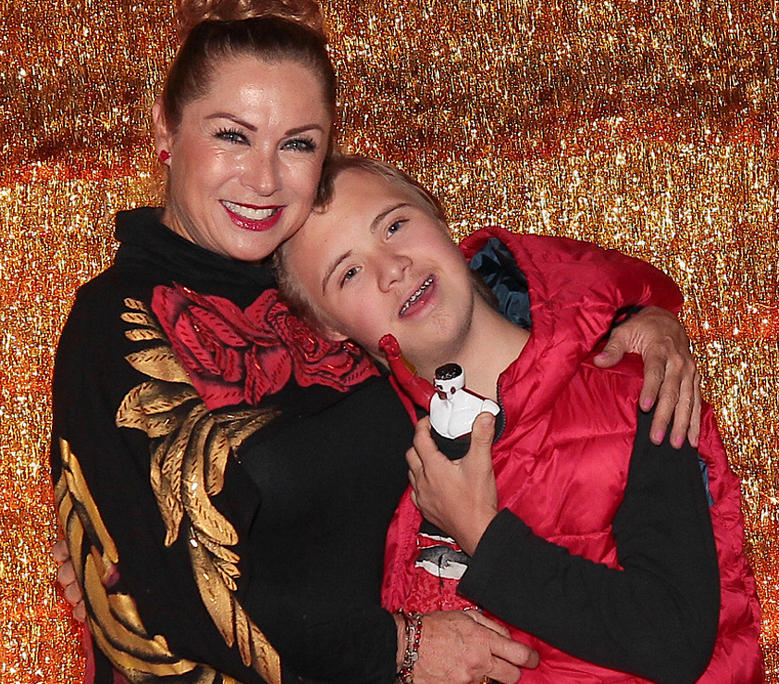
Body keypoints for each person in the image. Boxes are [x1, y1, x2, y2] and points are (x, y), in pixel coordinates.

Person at [50, 1, 706, 682]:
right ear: (165, 126)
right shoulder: (116, 323)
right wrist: (401, 647)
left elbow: (483, 298)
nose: (264, 179)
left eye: (297, 144)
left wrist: (637, 316)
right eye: (232, 136)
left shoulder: (321, 280)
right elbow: (180, 590)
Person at [274, 156, 764, 682]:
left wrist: (481, 535)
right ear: (327, 327)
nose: (390, 268)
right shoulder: (363, 454)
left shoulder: (635, 392)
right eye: (348, 273)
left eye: (394, 226)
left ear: (439, 220)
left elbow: (674, 639)